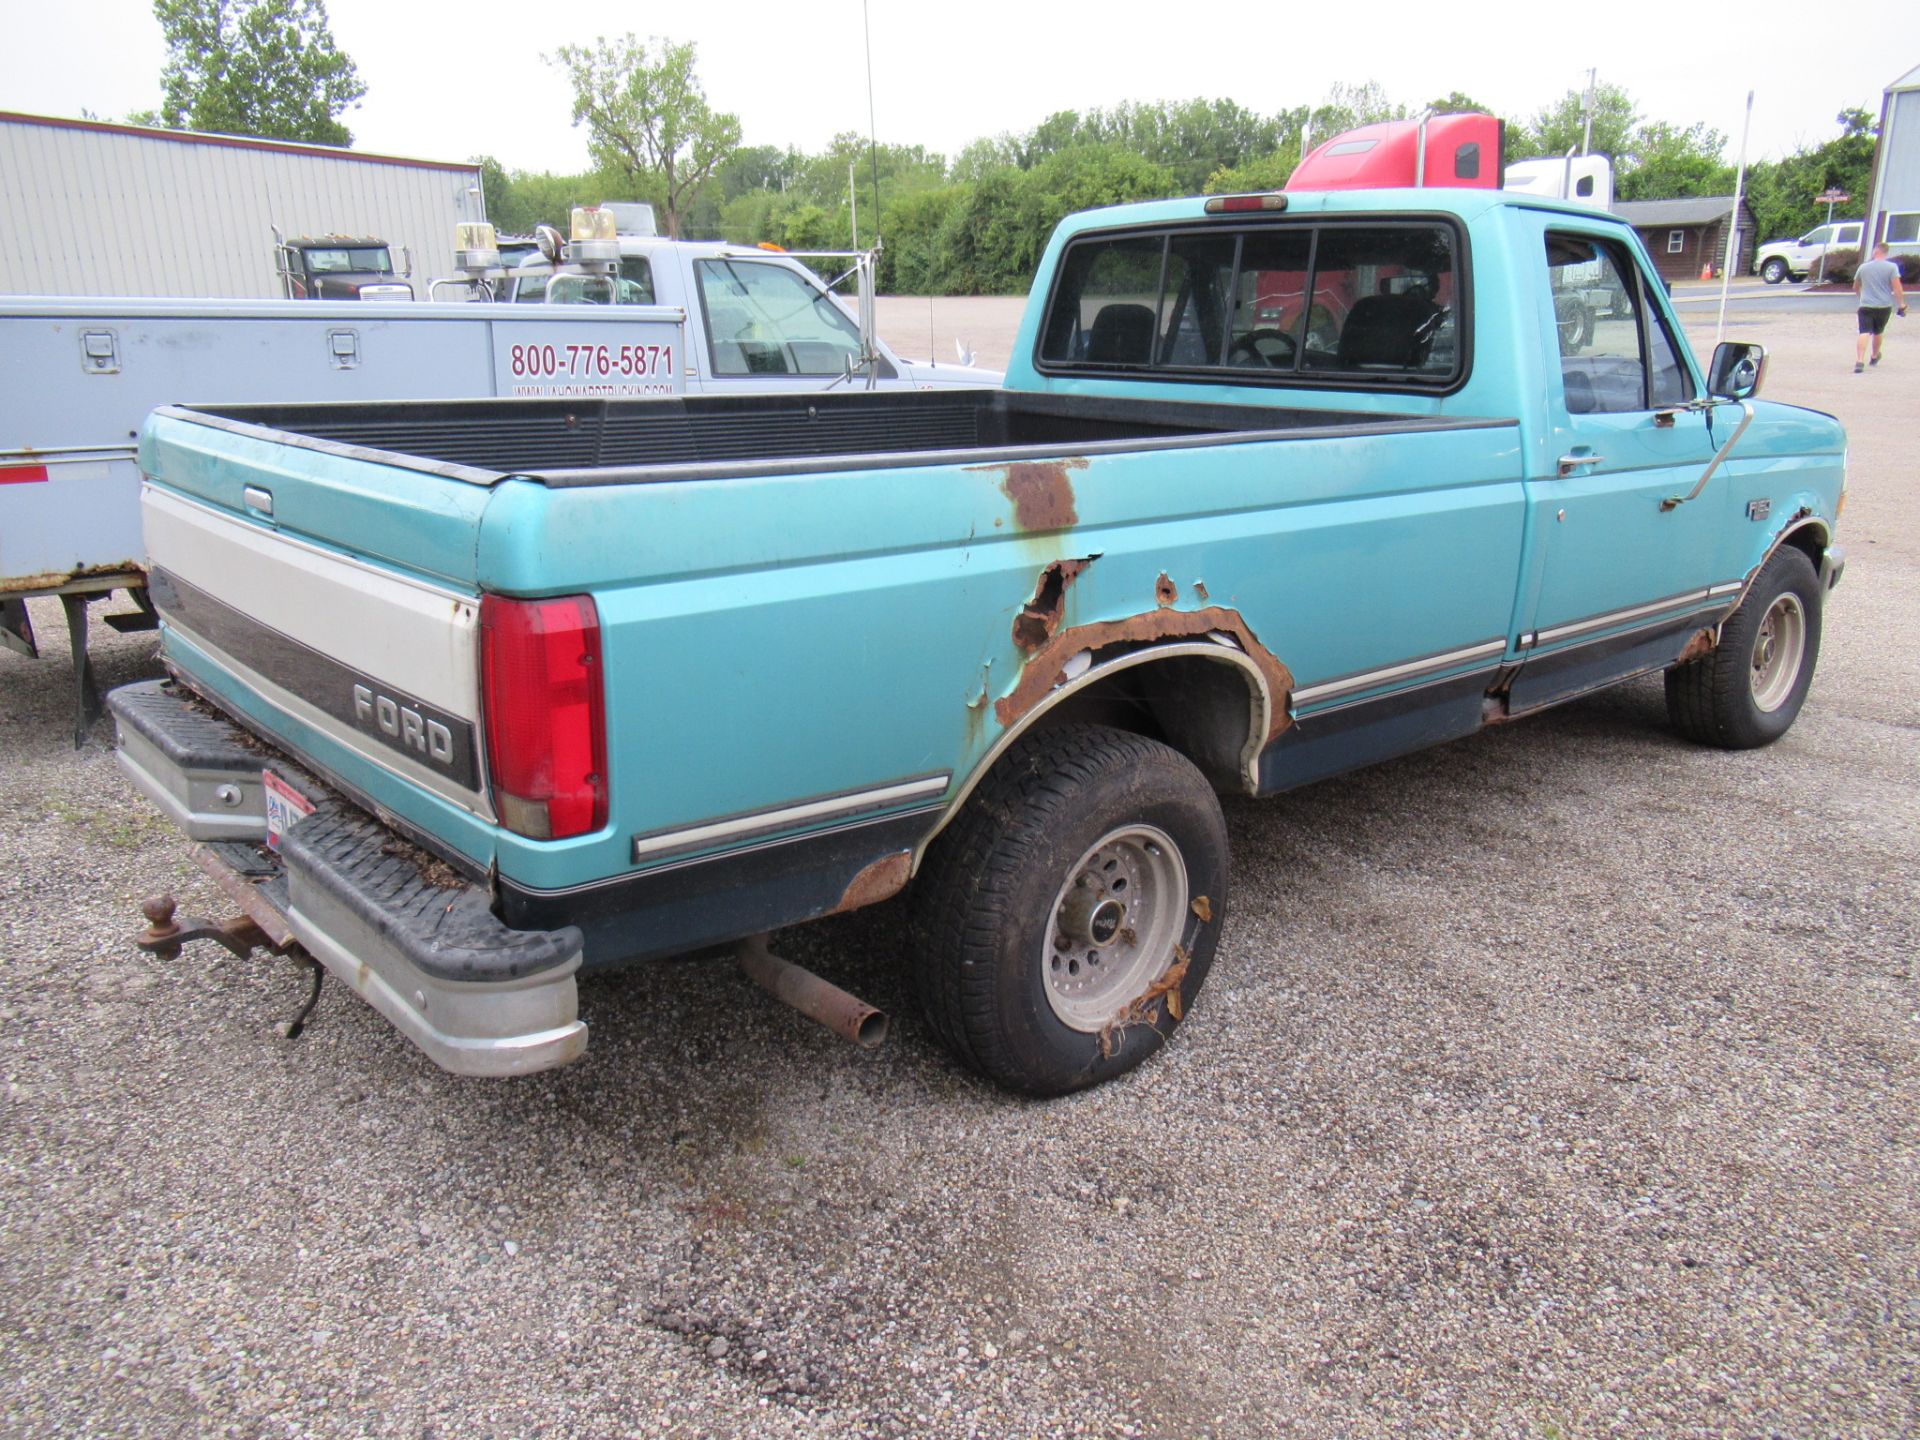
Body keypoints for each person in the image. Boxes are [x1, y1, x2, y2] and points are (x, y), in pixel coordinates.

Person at [1854, 243, 1908, 372]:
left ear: (1875, 252)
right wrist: (1901, 304)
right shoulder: (1891, 267)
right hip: (1884, 305)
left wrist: (1861, 297)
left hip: (1866, 304)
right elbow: (1897, 287)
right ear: (1886, 253)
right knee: (1878, 331)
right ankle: (1874, 355)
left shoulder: (1863, 267)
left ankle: (1860, 360)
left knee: (1864, 331)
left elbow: (1856, 286)